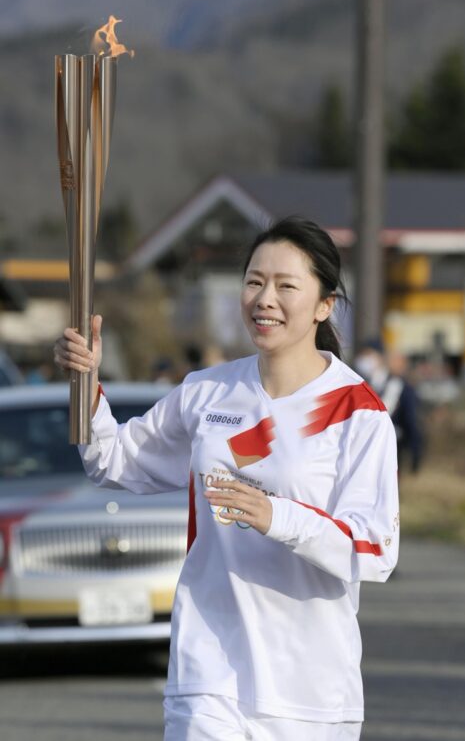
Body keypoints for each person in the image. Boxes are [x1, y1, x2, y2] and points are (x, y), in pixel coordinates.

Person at [54, 217, 399, 741]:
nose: (265, 298)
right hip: (209, 673)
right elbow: (113, 461)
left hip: (309, 693)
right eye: (254, 281)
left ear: (324, 305)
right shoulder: (207, 393)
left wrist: (276, 516)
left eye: (286, 286)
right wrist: (87, 384)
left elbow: (374, 550)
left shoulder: (356, 413)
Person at [354, 340, 423, 473]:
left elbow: (410, 420)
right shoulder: (357, 383)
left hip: (391, 450)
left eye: (369, 354)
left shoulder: (398, 385)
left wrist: (415, 452)